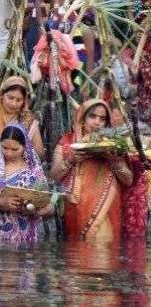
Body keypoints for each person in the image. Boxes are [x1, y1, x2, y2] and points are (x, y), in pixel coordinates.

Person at [49, 99, 133, 242]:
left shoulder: (113, 144)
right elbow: (53, 177)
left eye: (102, 119)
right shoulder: (67, 142)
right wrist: (70, 160)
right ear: (82, 118)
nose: (97, 122)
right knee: (78, 254)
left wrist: (115, 161)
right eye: (92, 116)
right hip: (75, 207)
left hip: (107, 207)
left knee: (104, 252)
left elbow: (128, 180)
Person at [0, 124, 53, 244]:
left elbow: (48, 205)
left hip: (23, 237)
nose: (9, 153)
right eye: (4, 148)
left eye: (14, 149)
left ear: (25, 147)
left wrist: (32, 210)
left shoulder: (33, 171)